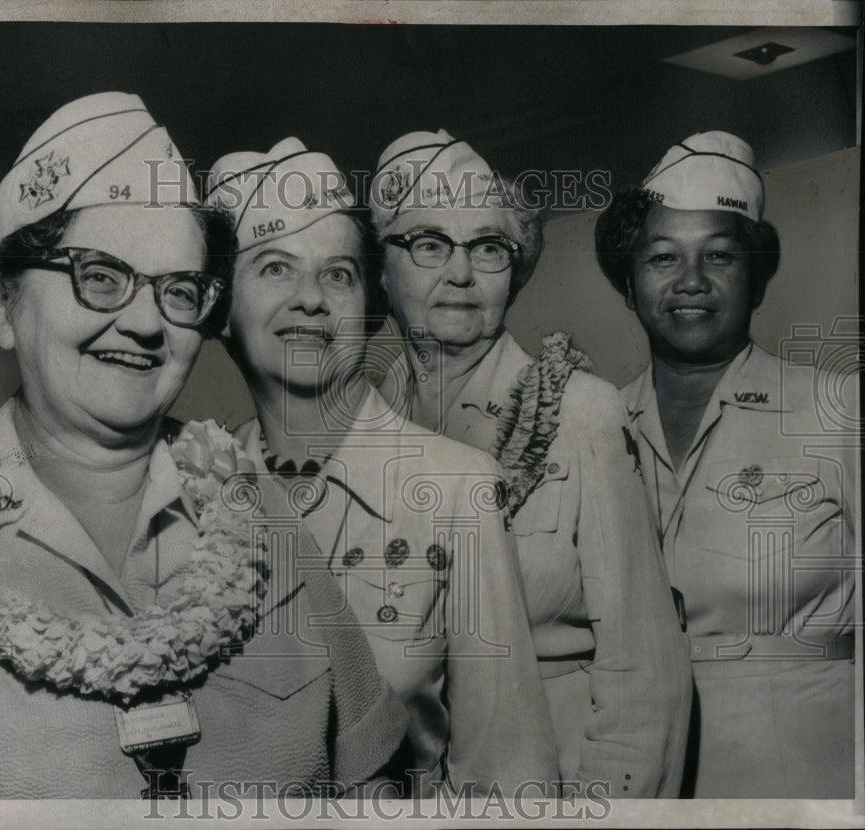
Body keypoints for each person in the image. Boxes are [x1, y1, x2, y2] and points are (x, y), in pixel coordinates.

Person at [0, 92, 406, 799]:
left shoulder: (257, 505)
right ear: (2, 302)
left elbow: (373, 778)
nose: (146, 324)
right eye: (99, 277)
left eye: (179, 290)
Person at [205, 137, 560, 796]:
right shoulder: (195, 488)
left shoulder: (459, 488)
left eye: (338, 273)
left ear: (370, 306)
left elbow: (511, 778)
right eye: (276, 268)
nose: (311, 299)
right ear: (221, 309)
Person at [372, 130, 692, 797]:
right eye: (429, 244)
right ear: (381, 269)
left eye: (488, 248)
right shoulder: (363, 428)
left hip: (557, 780)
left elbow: (646, 672)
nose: (460, 274)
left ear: (514, 270)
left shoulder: (580, 410)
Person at [595, 131, 857, 798]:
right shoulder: (596, 428)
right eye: (661, 258)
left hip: (807, 777)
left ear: (758, 277)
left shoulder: (838, 410)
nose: (690, 283)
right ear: (629, 284)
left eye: (719, 256)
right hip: (645, 782)